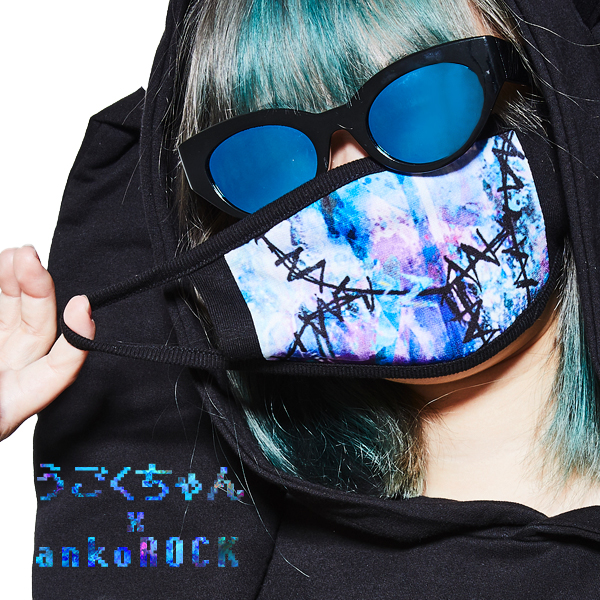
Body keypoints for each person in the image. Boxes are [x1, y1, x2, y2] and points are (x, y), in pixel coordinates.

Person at [1, 0, 600, 597]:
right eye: (268, 163)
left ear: (550, 96)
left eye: (419, 100)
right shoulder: (197, 541)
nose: (362, 200)